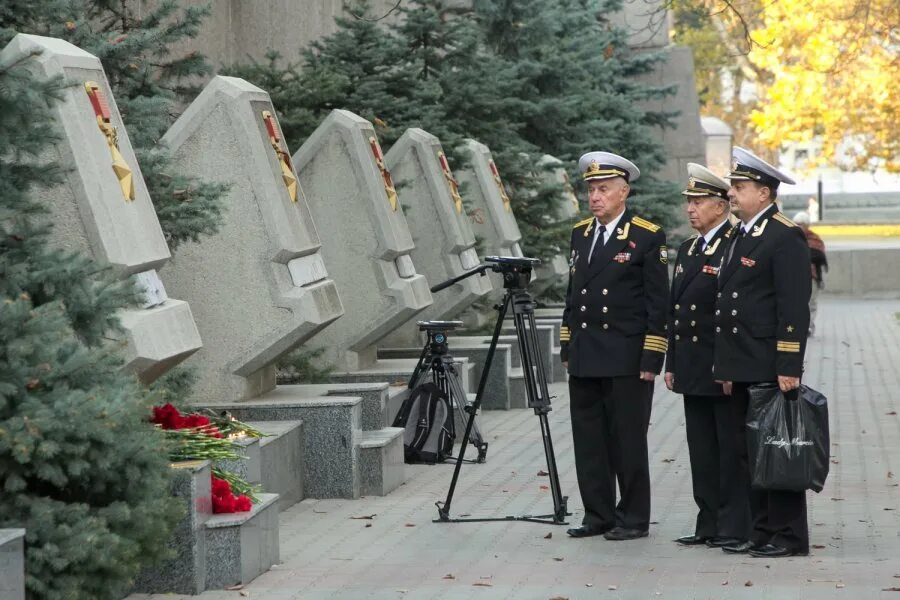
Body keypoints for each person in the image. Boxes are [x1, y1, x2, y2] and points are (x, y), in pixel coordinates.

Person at [560, 151, 669, 541]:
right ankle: (598, 514)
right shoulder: (581, 233)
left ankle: (634, 517)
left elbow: (658, 303)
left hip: (626, 356)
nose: (594, 197)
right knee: (589, 440)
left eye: (603, 189)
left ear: (623, 192)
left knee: (627, 441)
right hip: (588, 353)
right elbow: (573, 295)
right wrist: (567, 345)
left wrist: (652, 356)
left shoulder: (645, 235)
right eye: (590, 189)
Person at [714, 147, 812, 558]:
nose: (732, 194)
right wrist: (724, 364)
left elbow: (793, 305)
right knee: (748, 451)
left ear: (765, 193)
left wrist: (788, 364)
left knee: (777, 448)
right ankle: (760, 531)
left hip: (768, 363)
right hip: (741, 361)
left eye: (739, 187)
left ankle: (788, 535)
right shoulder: (742, 233)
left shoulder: (784, 235)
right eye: (733, 186)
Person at [665, 164, 750, 549]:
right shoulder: (689, 248)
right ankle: (708, 521)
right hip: (692, 366)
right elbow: (676, 311)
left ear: (721, 206)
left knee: (730, 450)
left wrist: (730, 364)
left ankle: (735, 525)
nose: (691, 209)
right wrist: (671, 363)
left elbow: (736, 313)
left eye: (698, 202)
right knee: (701, 449)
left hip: (722, 366)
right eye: (689, 202)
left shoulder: (735, 244)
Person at [793, 211, 827, 336]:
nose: (797, 226)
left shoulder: (814, 239)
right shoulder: (790, 238)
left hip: (812, 276)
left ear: (807, 225)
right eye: (795, 224)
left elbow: (819, 255)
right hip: (795, 276)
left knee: (811, 303)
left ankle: (808, 326)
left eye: (800, 224)